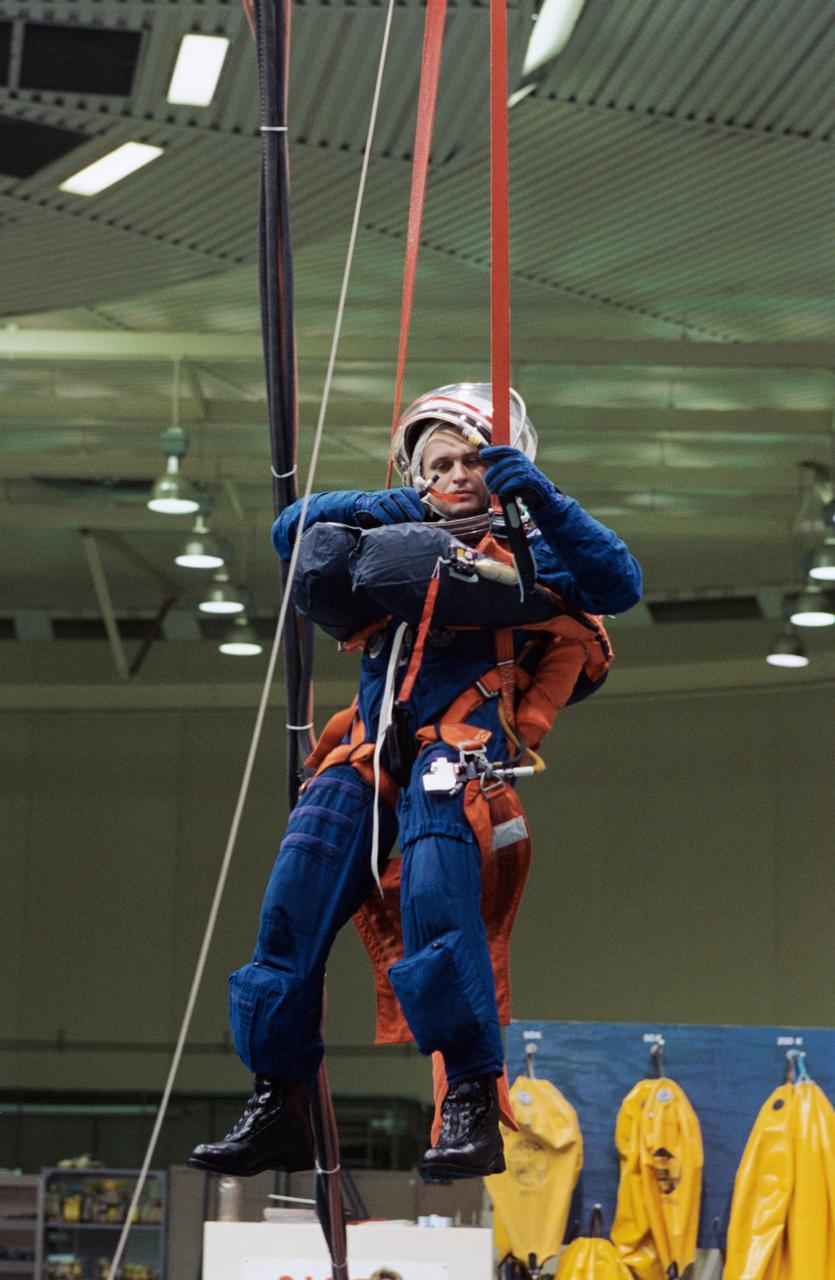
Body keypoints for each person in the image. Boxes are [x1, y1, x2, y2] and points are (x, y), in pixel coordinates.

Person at [189, 383, 642, 1183]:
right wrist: (385, 501)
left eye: (474, 459)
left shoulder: (532, 552)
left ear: (508, 463)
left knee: (437, 903)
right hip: (368, 753)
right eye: (439, 462)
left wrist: (539, 499)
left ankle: (469, 1098)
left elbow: (617, 584)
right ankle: (279, 1100)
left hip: (454, 751)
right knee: (290, 907)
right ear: (412, 471)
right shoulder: (387, 530)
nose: (457, 475)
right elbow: (288, 530)